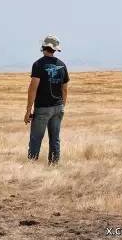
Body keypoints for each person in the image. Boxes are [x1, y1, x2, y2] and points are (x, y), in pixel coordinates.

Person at [24, 35, 69, 165]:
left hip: (43, 108)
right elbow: (64, 90)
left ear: (44, 47)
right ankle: (54, 165)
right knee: (55, 139)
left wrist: (28, 110)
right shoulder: (62, 65)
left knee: (36, 138)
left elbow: (33, 88)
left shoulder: (38, 64)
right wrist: (62, 107)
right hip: (58, 107)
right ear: (55, 49)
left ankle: (31, 166)